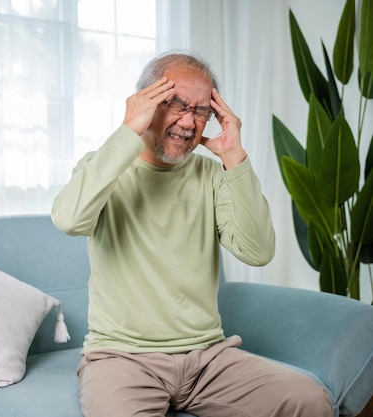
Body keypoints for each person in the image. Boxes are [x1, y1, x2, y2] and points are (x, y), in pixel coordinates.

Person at [51, 52, 333, 417]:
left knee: (308, 399)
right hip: (122, 357)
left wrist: (234, 157)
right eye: (176, 105)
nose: (188, 122)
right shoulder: (105, 165)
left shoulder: (212, 175)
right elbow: (68, 220)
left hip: (208, 358)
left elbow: (257, 251)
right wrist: (128, 131)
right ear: (146, 103)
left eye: (200, 111)